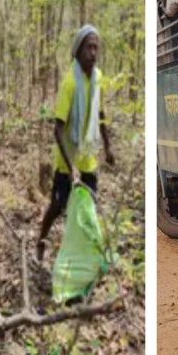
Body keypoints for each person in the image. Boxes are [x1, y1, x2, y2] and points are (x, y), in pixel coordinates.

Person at [37, 25, 115, 263]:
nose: (93, 53)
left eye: (96, 48)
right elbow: (57, 130)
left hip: (88, 158)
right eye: (89, 47)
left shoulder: (98, 78)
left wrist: (108, 146)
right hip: (66, 160)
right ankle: (41, 241)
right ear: (78, 50)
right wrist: (71, 167)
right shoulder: (70, 83)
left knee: (88, 207)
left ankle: (85, 257)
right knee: (58, 205)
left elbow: (99, 113)